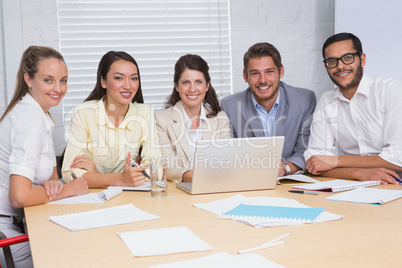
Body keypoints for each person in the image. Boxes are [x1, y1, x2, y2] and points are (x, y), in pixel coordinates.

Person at [0, 46, 89, 267]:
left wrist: (54, 186)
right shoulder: (29, 118)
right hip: (6, 234)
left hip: (20, 223)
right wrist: (70, 189)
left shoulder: (40, 115)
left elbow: (51, 178)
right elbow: (19, 197)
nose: (59, 89)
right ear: (28, 79)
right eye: (48, 80)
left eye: (64, 80)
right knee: (78, 256)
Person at [304, 32, 402, 184]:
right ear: (326, 67)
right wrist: (358, 173)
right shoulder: (327, 101)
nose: (340, 66)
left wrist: (336, 161)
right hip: (355, 186)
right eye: (332, 61)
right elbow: (315, 162)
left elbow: (398, 157)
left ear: (362, 59)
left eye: (347, 58)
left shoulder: (390, 90)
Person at [61, 51, 162, 187]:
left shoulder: (144, 113)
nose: (128, 86)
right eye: (119, 78)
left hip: (125, 197)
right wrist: (120, 179)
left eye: (133, 78)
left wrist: (97, 177)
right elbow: (71, 173)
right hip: (89, 198)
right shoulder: (84, 113)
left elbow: (156, 168)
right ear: (103, 81)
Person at [221, 42, 316, 176]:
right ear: (245, 76)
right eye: (255, 73)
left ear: (281, 71)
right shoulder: (228, 105)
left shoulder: (304, 100)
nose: (263, 80)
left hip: (289, 182)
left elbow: (306, 149)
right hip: (248, 181)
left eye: (269, 72)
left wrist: (285, 168)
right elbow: (227, 154)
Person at [155, 54, 231, 182]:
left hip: (214, 187)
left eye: (198, 82)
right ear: (177, 86)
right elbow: (167, 163)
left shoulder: (220, 118)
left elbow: (226, 160)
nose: (192, 89)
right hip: (179, 191)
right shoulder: (161, 120)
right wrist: (192, 176)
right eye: (186, 83)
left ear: (207, 86)